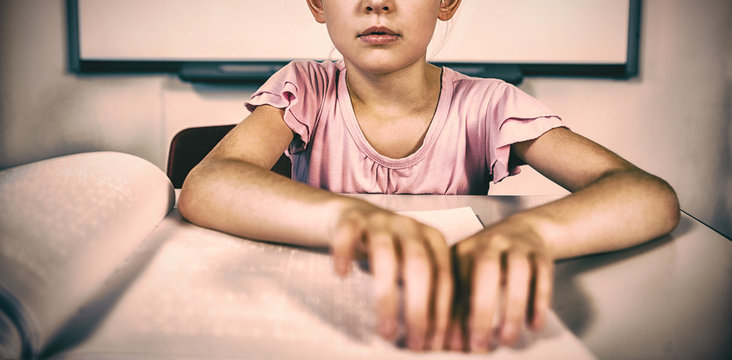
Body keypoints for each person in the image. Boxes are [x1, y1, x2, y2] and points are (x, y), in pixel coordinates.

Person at [179, 0, 680, 353]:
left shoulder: (487, 104)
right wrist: (353, 218)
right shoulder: (306, 86)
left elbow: (647, 195)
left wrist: (531, 232)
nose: (378, 3)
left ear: (447, 1)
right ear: (317, 2)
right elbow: (209, 183)